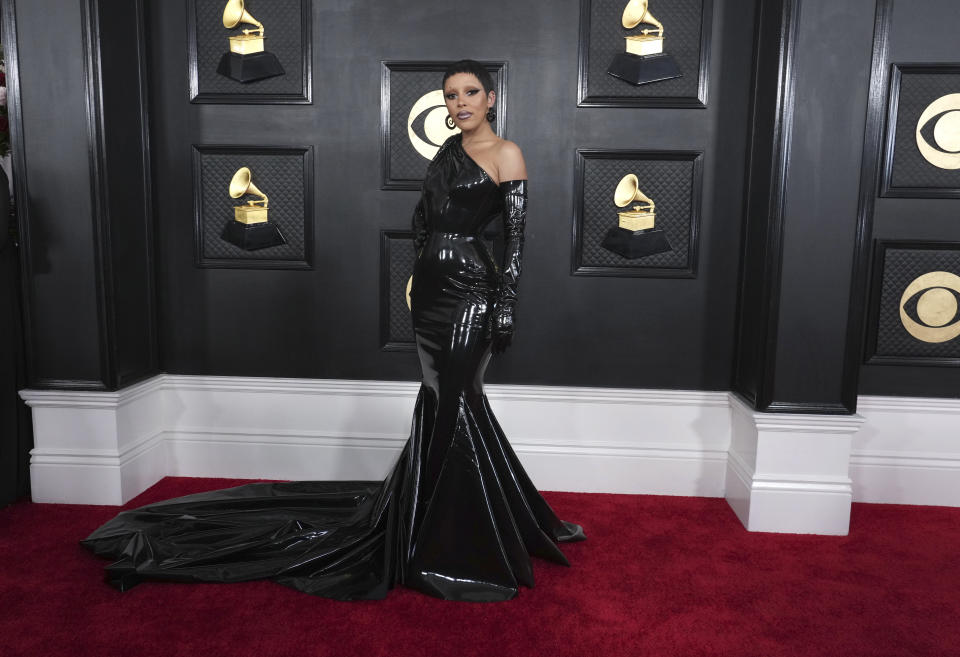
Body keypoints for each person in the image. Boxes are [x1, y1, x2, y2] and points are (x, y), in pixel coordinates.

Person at [82, 60, 584, 602]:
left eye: (469, 93)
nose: (459, 103)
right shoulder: (446, 151)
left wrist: (505, 303)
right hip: (433, 295)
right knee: (446, 402)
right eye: (450, 95)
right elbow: (422, 221)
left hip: (475, 293)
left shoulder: (506, 154)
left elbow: (515, 239)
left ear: (490, 98)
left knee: (457, 401)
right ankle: (458, 519)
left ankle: (458, 535)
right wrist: (419, 272)